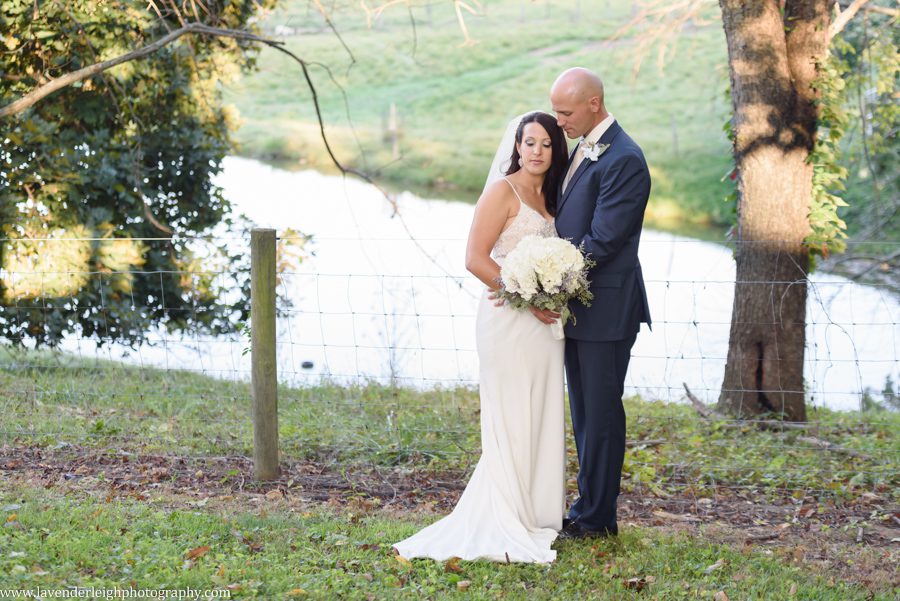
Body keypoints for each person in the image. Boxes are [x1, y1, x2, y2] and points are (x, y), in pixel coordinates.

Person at [392, 111, 570, 563]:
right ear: (516, 146)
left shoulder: (554, 195)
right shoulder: (502, 191)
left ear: (556, 150)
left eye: (546, 144)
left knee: (541, 410)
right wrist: (526, 296)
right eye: (529, 142)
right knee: (509, 415)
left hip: (546, 326)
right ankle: (503, 514)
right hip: (508, 319)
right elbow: (474, 258)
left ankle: (536, 513)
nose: (537, 151)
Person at [549, 67, 652, 539]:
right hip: (580, 307)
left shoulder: (624, 158)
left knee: (602, 416)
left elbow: (604, 240)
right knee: (585, 414)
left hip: (606, 310)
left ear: (594, 104)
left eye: (565, 112)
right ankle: (586, 508)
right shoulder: (585, 146)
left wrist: (548, 278)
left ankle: (597, 520)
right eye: (556, 111)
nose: (559, 121)